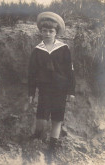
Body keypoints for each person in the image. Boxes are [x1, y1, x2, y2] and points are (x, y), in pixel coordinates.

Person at [28, 12, 76, 162]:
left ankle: (52, 146)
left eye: (51, 31)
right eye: (45, 31)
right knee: (41, 116)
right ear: (41, 31)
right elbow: (31, 73)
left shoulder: (63, 48)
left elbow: (70, 71)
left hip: (60, 89)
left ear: (56, 32)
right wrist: (31, 93)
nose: (47, 34)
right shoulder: (37, 50)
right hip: (44, 89)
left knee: (57, 117)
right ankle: (38, 136)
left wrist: (71, 91)